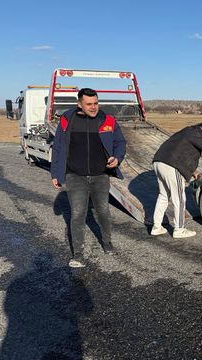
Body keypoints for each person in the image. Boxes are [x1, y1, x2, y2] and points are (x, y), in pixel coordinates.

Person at [50, 88, 127, 268]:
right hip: (75, 175)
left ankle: (107, 242)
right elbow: (58, 147)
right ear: (79, 104)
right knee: (78, 214)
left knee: (103, 211)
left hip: (100, 175)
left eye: (96, 103)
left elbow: (120, 142)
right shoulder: (67, 120)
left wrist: (117, 157)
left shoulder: (107, 120)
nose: (93, 107)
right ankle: (78, 253)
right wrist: (55, 173)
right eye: (89, 104)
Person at [151, 122, 202, 238]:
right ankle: (179, 230)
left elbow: (180, 155)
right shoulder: (196, 132)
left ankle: (156, 227)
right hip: (171, 166)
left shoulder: (184, 132)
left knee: (163, 196)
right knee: (179, 199)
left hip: (159, 162)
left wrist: (193, 172)